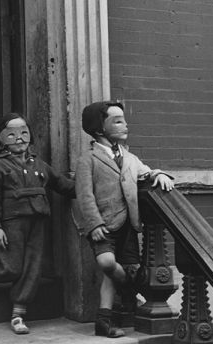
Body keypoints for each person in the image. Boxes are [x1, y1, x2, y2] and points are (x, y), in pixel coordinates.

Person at [0, 113, 75, 334]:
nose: (19, 138)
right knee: (12, 266)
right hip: (12, 222)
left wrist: (89, 187)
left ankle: (18, 314)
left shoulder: (39, 164)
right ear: (1, 140)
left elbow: (62, 184)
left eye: (23, 132)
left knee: (32, 267)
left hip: (38, 220)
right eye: (11, 134)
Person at [72, 101, 174, 338]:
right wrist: (94, 224)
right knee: (108, 264)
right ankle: (129, 291)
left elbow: (144, 172)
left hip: (128, 224)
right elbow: (84, 195)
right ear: (99, 129)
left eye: (124, 119)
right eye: (117, 121)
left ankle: (104, 321)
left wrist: (159, 174)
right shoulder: (88, 158)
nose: (125, 124)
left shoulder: (129, 157)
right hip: (103, 226)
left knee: (120, 270)